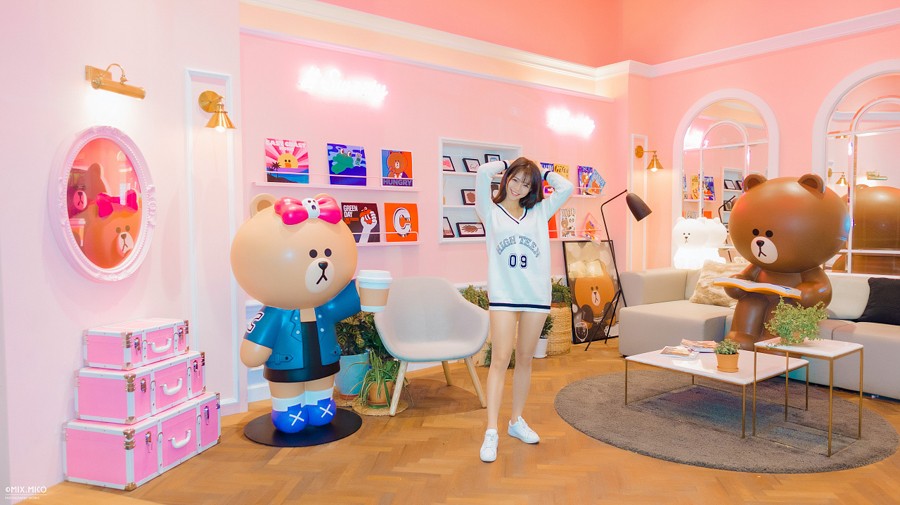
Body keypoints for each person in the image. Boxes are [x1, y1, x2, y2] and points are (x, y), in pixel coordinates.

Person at [474, 157, 573, 462]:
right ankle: (492, 430)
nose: (518, 188)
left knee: (526, 359)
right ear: (505, 179)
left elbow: (567, 188)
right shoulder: (490, 211)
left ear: (533, 188)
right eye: (514, 179)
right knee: (500, 359)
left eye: (526, 184)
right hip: (504, 295)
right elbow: (482, 172)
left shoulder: (540, 211)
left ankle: (516, 421)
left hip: (535, 295)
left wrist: (543, 172)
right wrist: (507, 163)